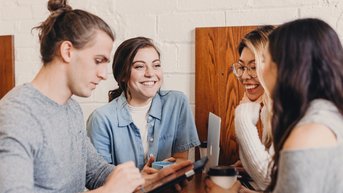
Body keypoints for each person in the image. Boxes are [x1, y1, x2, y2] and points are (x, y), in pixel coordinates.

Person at [0, 1, 192, 193]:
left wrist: (146, 181)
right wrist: (109, 191)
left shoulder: (71, 108)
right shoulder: (16, 115)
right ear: (67, 51)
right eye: (98, 61)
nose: (103, 74)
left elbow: (95, 172)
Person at [206, 18, 343, 193]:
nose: (248, 75)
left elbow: (269, 180)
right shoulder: (324, 113)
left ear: (288, 67)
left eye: (264, 60)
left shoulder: (308, 133)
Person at [87, 36, 200, 170]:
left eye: (156, 65)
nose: (150, 73)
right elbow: (100, 177)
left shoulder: (177, 103)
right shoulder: (101, 119)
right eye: (140, 66)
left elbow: (181, 160)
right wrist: (144, 180)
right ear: (123, 75)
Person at [231, 26, 275, 190]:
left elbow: (269, 180)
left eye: (254, 66)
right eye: (242, 67)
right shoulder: (268, 109)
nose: (244, 75)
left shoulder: (290, 110)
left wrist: (243, 115)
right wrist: (249, 167)